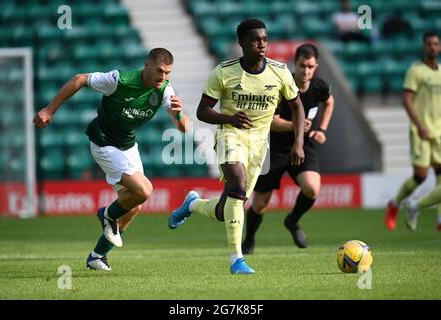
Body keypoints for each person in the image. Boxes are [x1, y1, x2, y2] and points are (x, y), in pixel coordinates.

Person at [167, 19, 305, 274]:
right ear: (241, 43)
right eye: (255, 40)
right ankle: (236, 260)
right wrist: (229, 119)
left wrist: (298, 143)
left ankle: (193, 204)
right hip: (230, 136)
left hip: (259, 145)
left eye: (264, 39)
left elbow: (297, 106)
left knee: (227, 208)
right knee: (238, 187)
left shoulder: (279, 72)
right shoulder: (224, 72)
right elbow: (202, 111)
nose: (261, 44)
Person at [33, 48, 190, 270]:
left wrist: (180, 114)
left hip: (127, 145)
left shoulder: (164, 90)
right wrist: (50, 110)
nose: (163, 77)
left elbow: (184, 129)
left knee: (134, 206)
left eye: (168, 73)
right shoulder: (119, 80)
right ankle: (107, 215)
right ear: (147, 65)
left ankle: (97, 256)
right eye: (159, 71)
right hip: (104, 142)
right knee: (144, 191)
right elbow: (79, 79)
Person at [241, 44, 334, 253]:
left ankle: (292, 221)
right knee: (261, 203)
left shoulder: (319, 87)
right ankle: (249, 240)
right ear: (295, 64)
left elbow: (329, 102)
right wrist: (296, 124)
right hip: (273, 147)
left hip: (302, 144)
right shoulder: (281, 86)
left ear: (316, 66)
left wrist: (322, 129)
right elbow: (271, 122)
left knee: (312, 188)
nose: (306, 71)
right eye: (302, 65)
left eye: (310, 66)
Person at [385, 32, 441, 231]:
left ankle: (439, 218)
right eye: (429, 44)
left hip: (439, 131)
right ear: (424, 47)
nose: (433, 47)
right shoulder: (416, 70)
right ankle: (395, 204)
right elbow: (406, 99)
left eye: (436, 44)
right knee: (421, 176)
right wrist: (419, 125)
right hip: (422, 130)